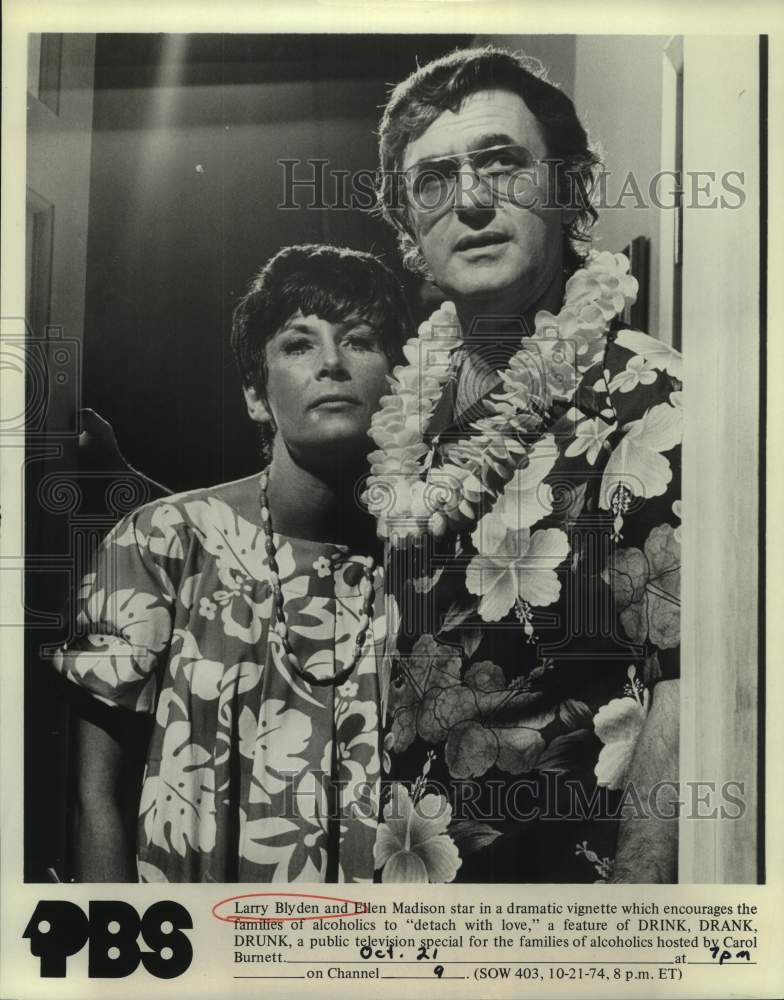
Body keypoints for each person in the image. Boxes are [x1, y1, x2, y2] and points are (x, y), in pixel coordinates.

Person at [367, 46, 681, 884]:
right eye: (432, 180)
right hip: (407, 892)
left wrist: (635, 935)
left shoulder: (648, 399)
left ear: (571, 190)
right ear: (407, 227)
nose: (469, 200)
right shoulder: (412, 404)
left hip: (562, 914)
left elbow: (686, 695)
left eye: (501, 164)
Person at [54, 244, 412, 882]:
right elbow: (93, 801)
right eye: (299, 345)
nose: (332, 362)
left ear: (400, 379)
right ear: (255, 391)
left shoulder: (427, 561)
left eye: (359, 340)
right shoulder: (161, 545)